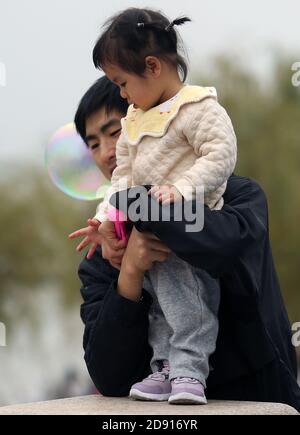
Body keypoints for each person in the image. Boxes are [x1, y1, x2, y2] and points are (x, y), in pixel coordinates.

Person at [70, 77, 300, 411]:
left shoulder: (235, 199)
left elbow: (223, 245)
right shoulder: (102, 252)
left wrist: (142, 209)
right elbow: (109, 376)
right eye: (92, 144)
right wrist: (130, 273)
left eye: (115, 133)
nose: (106, 153)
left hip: (258, 398)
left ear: (153, 124)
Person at [81, 7, 238, 405]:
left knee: (188, 299)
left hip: (191, 222)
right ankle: (166, 366)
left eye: (122, 83)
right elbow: (123, 179)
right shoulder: (136, 121)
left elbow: (220, 155)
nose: (122, 94)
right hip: (151, 224)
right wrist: (105, 219)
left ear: (151, 66)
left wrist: (182, 188)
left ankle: (190, 370)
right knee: (161, 304)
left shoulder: (198, 108)